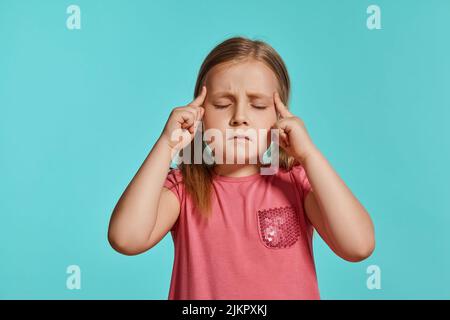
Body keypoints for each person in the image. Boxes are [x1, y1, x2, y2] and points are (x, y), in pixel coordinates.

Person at [107, 36, 375, 300]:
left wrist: (309, 155)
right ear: (200, 114)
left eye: (258, 105)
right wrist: (166, 144)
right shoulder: (183, 189)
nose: (239, 118)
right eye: (223, 104)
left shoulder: (297, 183)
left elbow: (358, 246)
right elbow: (126, 239)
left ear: (279, 117)